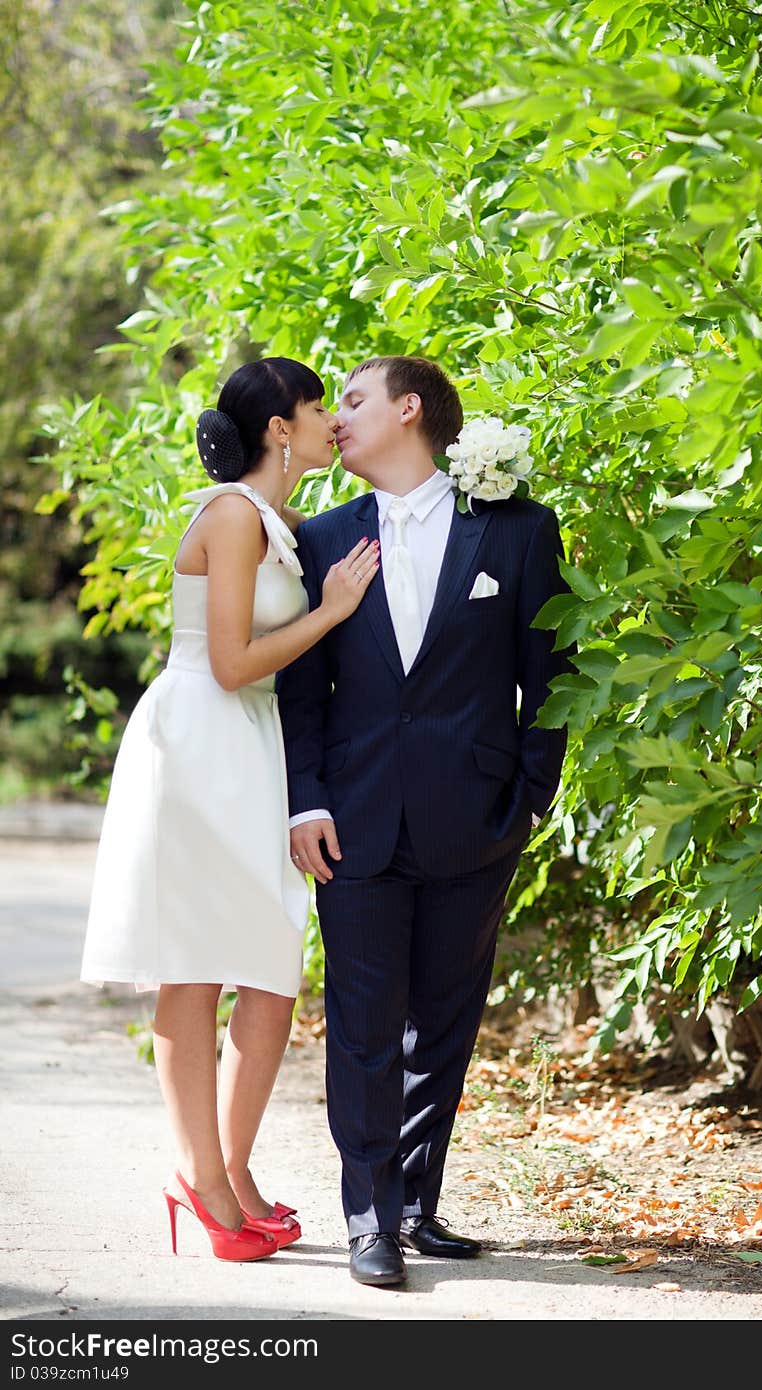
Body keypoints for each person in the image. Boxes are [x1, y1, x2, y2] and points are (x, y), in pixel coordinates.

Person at [277, 355, 569, 1286]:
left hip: (476, 817)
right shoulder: (318, 539)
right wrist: (307, 799)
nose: (339, 420)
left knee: (443, 1021)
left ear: (410, 410)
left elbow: (550, 679)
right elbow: (302, 690)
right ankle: (369, 1219)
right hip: (352, 821)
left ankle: (415, 1205)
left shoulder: (519, 532)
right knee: (364, 1027)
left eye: (353, 401)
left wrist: (528, 798)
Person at [80, 357, 379, 1262]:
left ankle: (229, 1171)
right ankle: (207, 1181)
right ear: (280, 428)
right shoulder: (230, 517)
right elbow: (231, 664)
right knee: (198, 963)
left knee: (269, 965)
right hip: (203, 742)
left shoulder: (283, 523)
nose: (332, 418)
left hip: (253, 748)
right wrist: (330, 614)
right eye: (319, 404)